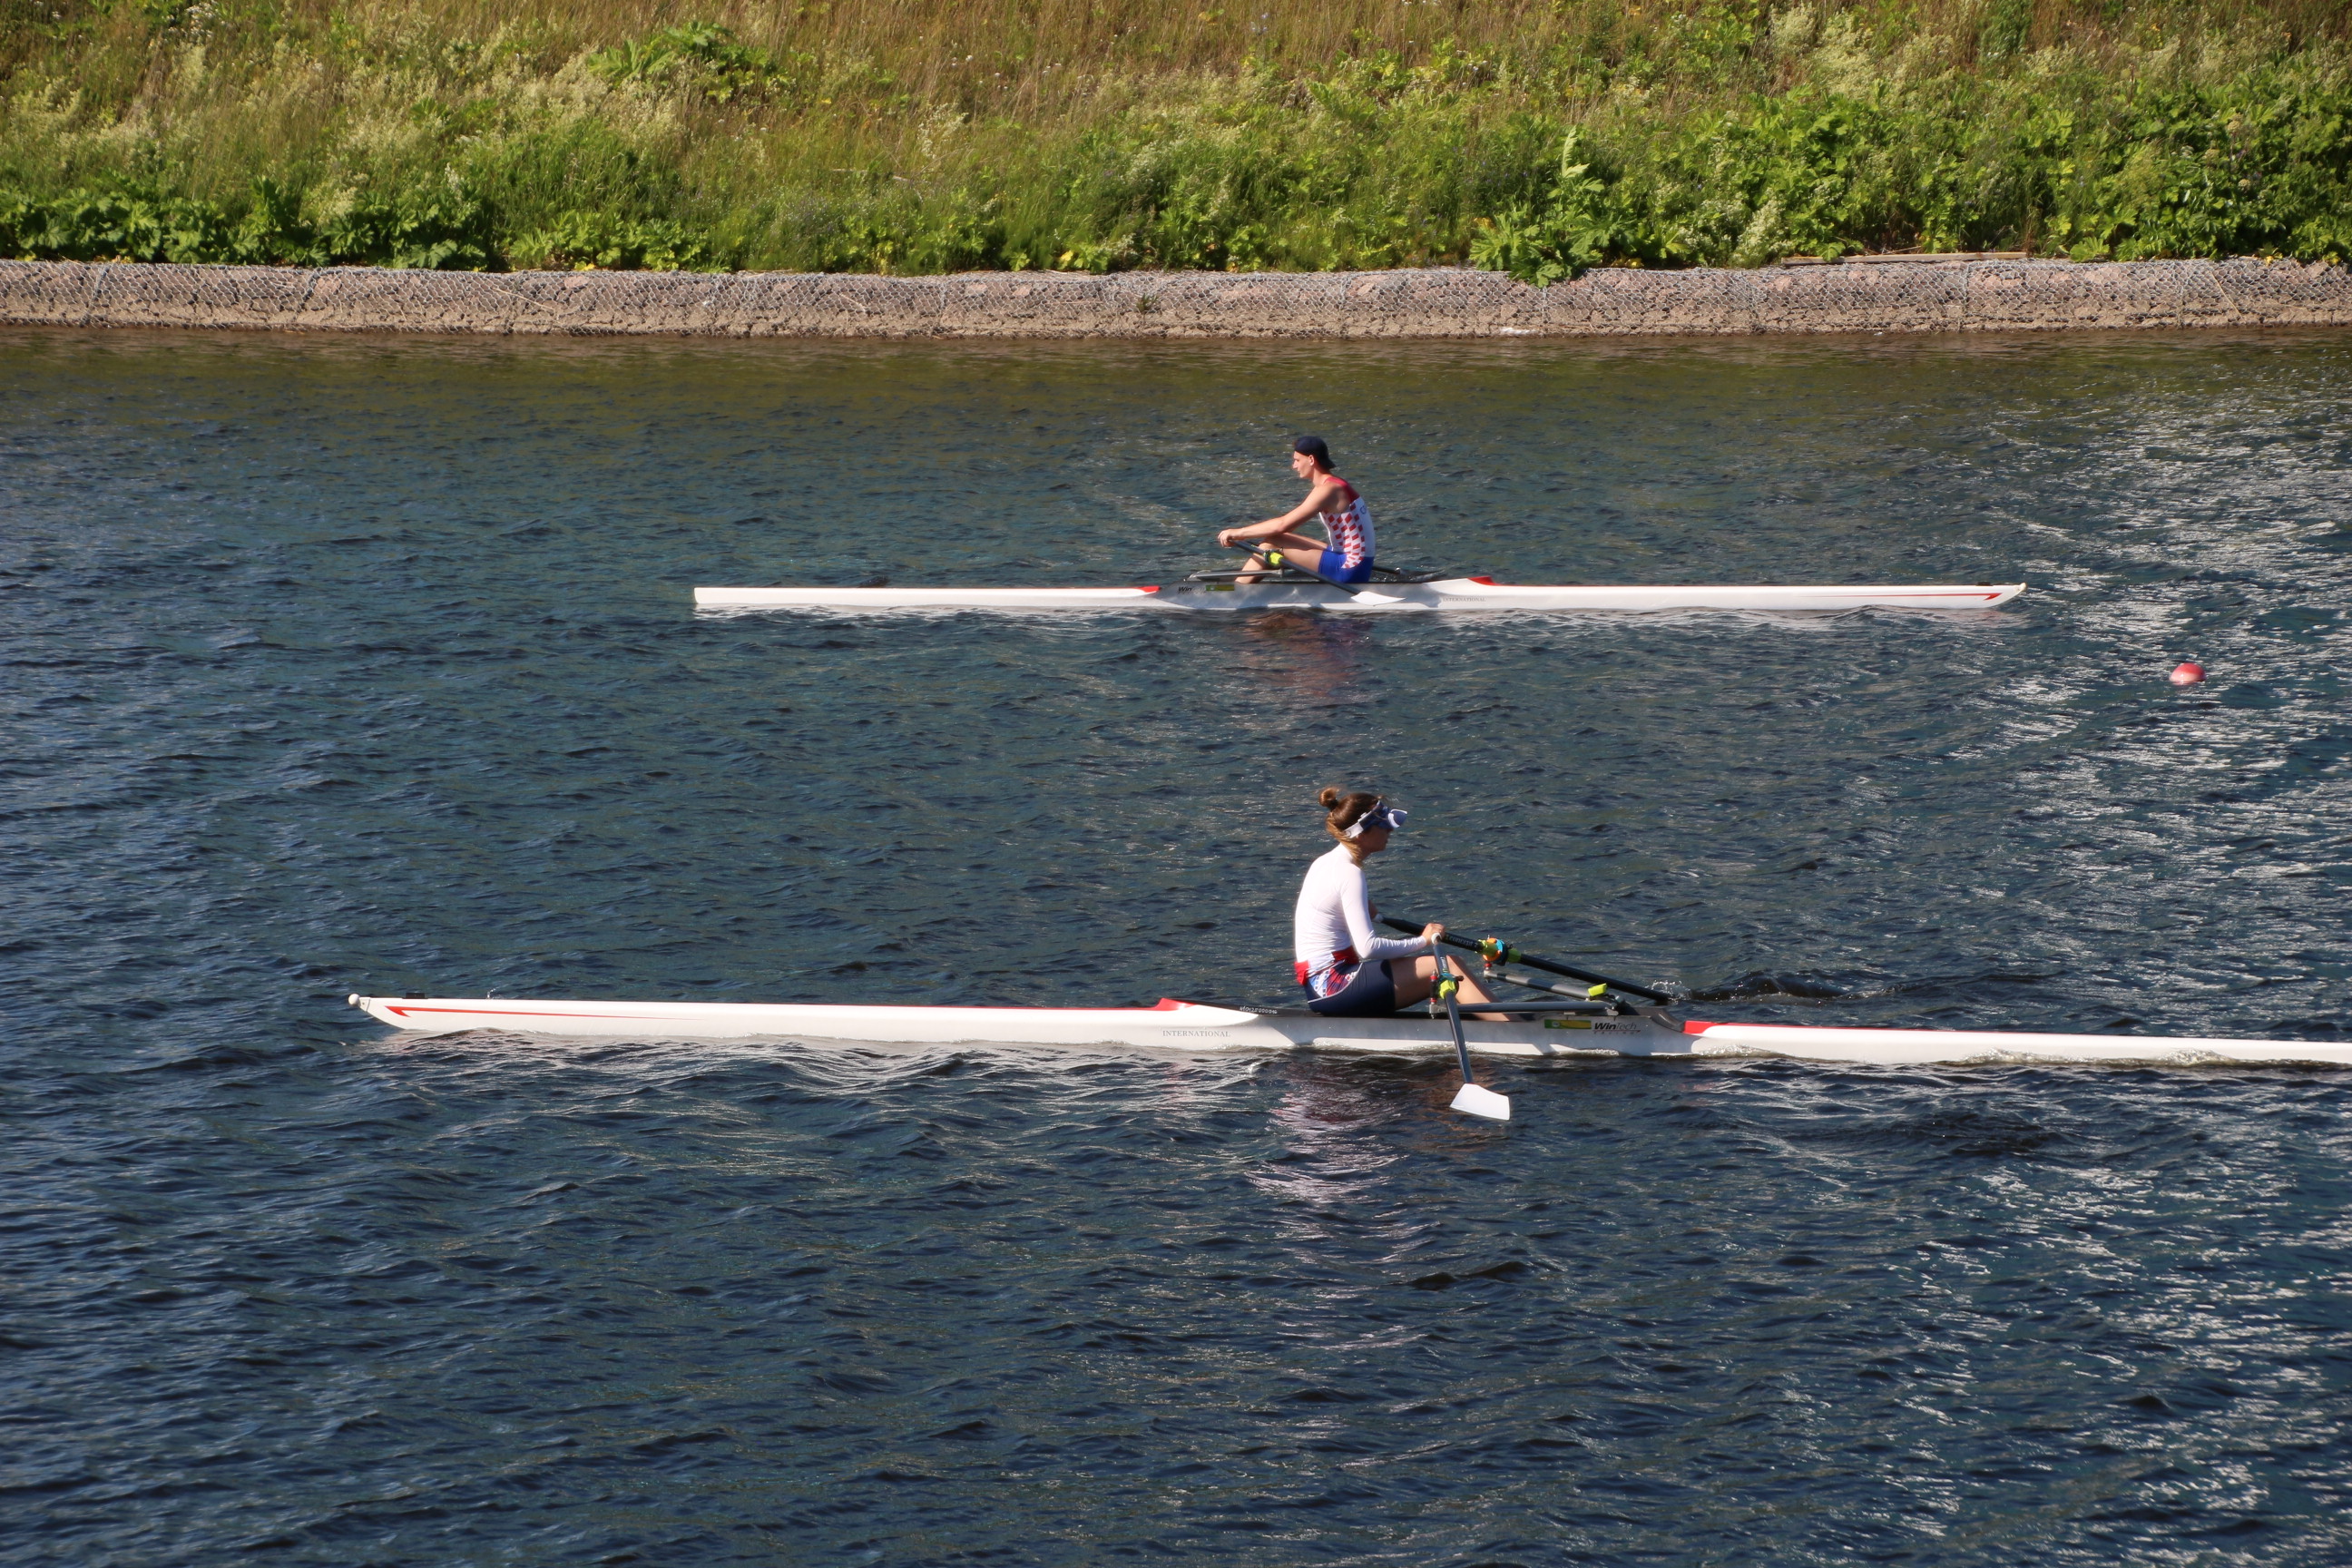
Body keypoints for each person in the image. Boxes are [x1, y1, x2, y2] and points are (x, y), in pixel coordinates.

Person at [1292, 788, 1501, 1017]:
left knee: (1452, 962)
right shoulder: (1349, 873)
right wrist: (1423, 940)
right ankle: (1515, 1031)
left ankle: (1504, 1023)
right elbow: (1368, 948)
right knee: (1447, 965)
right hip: (1334, 986)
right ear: (1361, 834)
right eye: (1384, 826)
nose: (1390, 830)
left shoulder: (1325, 863)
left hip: (1323, 985)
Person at [1217, 436, 1377, 584]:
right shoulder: (1335, 484)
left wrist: (1236, 533)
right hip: (1355, 561)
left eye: (1297, 460)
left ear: (1311, 459)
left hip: (1350, 567)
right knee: (1277, 538)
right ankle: (1255, 579)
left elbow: (1283, 524)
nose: (1294, 466)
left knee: (1270, 545)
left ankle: (1232, 592)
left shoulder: (1329, 489)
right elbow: (1284, 529)